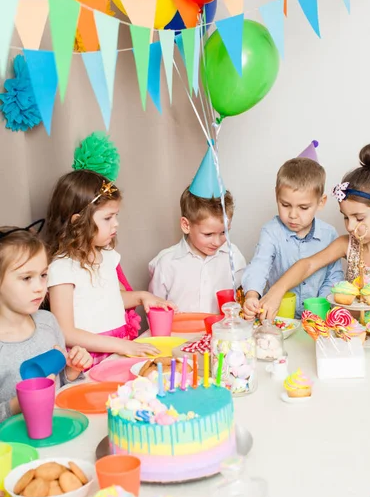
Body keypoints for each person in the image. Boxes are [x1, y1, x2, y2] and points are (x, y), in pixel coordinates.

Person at [46, 170, 176, 365]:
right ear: (77, 222)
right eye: (108, 218)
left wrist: (142, 296)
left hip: (120, 345)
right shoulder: (61, 269)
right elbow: (66, 332)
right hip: (89, 358)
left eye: (116, 216)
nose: (116, 224)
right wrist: (120, 346)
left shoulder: (106, 255)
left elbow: (111, 298)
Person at [257, 144, 370, 322]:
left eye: (359, 218)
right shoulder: (346, 244)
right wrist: (277, 291)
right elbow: (307, 265)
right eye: (346, 217)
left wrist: (338, 312)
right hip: (349, 336)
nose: (349, 226)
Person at [0, 224, 92, 424]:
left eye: (43, 275)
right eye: (26, 278)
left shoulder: (47, 322)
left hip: (59, 431)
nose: (39, 287)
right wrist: (18, 404)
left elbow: (59, 383)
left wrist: (72, 370)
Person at [149, 144, 246, 314]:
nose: (217, 241)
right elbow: (154, 311)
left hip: (222, 338)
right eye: (208, 234)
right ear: (186, 225)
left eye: (224, 232)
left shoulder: (234, 256)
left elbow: (242, 298)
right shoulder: (166, 263)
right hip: (179, 339)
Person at [243, 157, 344, 320]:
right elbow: (259, 266)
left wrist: (321, 306)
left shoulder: (329, 234)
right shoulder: (271, 232)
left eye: (303, 207)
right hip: (280, 318)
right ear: (276, 194)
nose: (293, 215)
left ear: (321, 202)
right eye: (285, 205)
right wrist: (251, 296)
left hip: (318, 319)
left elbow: (334, 277)